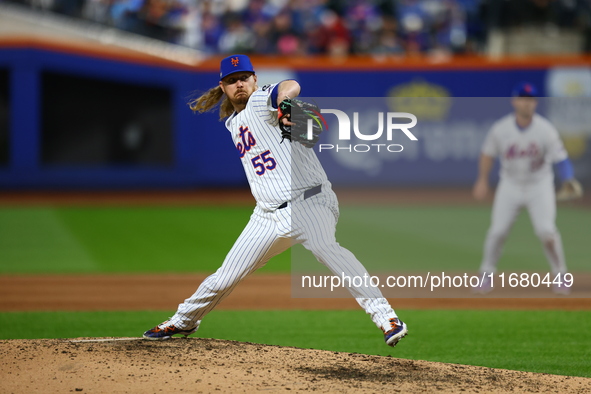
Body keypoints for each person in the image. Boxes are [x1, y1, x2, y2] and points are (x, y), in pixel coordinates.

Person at [143, 54, 408, 347]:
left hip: (309, 202)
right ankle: (184, 320)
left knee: (325, 248)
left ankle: (386, 317)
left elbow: (290, 85)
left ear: (255, 79)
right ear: (223, 86)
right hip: (266, 215)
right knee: (224, 278)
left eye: (244, 77)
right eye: (232, 81)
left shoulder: (260, 101)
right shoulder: (233, 123)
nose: (239, 84)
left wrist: (283, 104)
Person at [472, 82, 576, 295]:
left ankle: (561, 274)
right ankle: (486, 274)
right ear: (514, 101)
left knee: (546, 231)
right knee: (497, 231)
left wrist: (568, 178)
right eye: (523, 98)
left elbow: (562, 159)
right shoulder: (500, 129)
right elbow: (487, 153)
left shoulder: (545, 129)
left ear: (535, 103)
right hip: (509, 185)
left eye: (531, 99)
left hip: (539, 185)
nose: (527, 103)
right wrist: (482, 179)